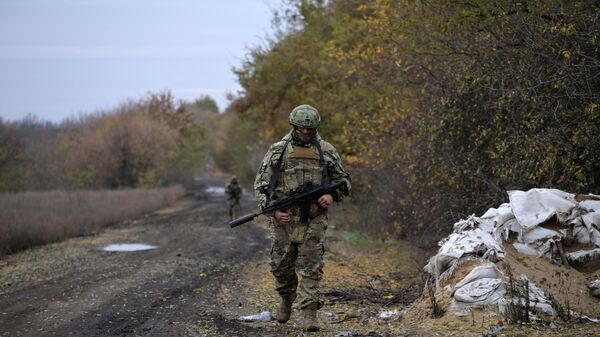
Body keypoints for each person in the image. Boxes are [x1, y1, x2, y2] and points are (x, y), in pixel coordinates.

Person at [254, 104, 351, 332]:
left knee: (311, 265)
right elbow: (261, 186)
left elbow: (344, 182)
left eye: (311, 129)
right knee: (280, 265)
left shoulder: (326, 151)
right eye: (302, 129)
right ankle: (287, 298)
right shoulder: (278, 151)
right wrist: (274, 210)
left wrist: (331, 194)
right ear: (294, 127)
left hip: (314, 218)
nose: (307, 133)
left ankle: (309, 313)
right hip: (284, 219)